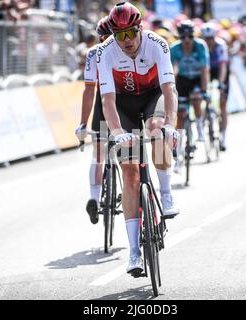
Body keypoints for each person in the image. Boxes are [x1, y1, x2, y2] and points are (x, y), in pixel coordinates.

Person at [97, 2, 180, 276]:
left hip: (153, 95)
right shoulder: (105, 52)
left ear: (139, 28)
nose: (127, 41)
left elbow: (169, 90)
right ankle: (133, 252)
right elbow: (107, 101)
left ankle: (167, 196)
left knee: (157, 129)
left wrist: (171, 125)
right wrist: (118, 133)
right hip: (123, 104)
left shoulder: (158, 44)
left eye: (131, 33)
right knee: (130, 172)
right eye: (119, 35)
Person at [75, 16, 112, 224]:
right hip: (104, 100)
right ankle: (95, 201)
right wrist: (82, 124)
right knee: (98, 152)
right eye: (103, 38)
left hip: (126, 101)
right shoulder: (93, 54)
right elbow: (89, 90)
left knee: (129, 155)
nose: (107, 42)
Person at [170, 20, 210, 170]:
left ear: (193, 36)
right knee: (180, 114)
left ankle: (199, 127)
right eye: (183, 37)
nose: (187, 40)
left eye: (190, 37)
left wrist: (204, 91)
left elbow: (205, 70)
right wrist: (171, 92)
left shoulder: (200, 46)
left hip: (197, 79)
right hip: (183, 79)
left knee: (196, 99)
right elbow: (170, 72)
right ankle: (178, 153)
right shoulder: (175, 49)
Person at [201, 22, 230, 151]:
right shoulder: (201, 47)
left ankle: (223, 137)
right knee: (203, 94)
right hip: (208, 71)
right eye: (206, 39)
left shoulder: (221, 45)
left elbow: (223, 66)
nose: (209, 41)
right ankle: (206, 115)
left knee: (222, 103)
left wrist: (221, 83)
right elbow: (203, 69)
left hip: (220, 71)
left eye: (211, 38)